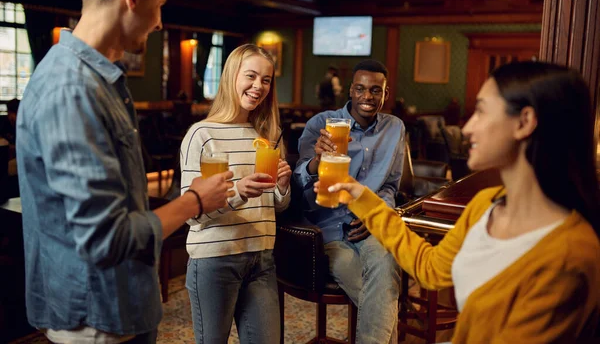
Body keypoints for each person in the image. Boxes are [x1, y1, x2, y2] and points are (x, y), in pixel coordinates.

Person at [16, 0, 234, 343]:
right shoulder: (72, 88)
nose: (160, 23)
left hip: (121, 303)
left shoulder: (98, 78)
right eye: (160, 5)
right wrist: (195, 201)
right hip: (97, 316)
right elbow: (106, 238)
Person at [325, 61, 600, 342]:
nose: (467, 128)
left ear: (524, 122)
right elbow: (430, 268)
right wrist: (363, 198)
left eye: (481, 111)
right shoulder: (487, 205)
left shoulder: (568, 255)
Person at [180, 44, 292, 344]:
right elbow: (193, 214)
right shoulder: (202, 135)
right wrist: (238, 192)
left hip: (261, 259)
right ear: (232, 76)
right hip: (215, 260)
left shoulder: (265, 136)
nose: (259, 86)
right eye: (251, 76)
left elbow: (275, 207)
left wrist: (282, 187)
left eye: (266, 80)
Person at [294, 59, 404, 344]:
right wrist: (316, 161)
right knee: (383, 297)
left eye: (375, 90)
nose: (368, 96)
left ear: (385, 94)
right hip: (327, 229)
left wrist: (377, 213)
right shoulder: (321, 124)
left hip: (368, 224)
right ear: (350, 91)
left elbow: (390, 186)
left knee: (388, 261)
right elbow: (298, 184)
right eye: (360, 89)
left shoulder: (395, 128)